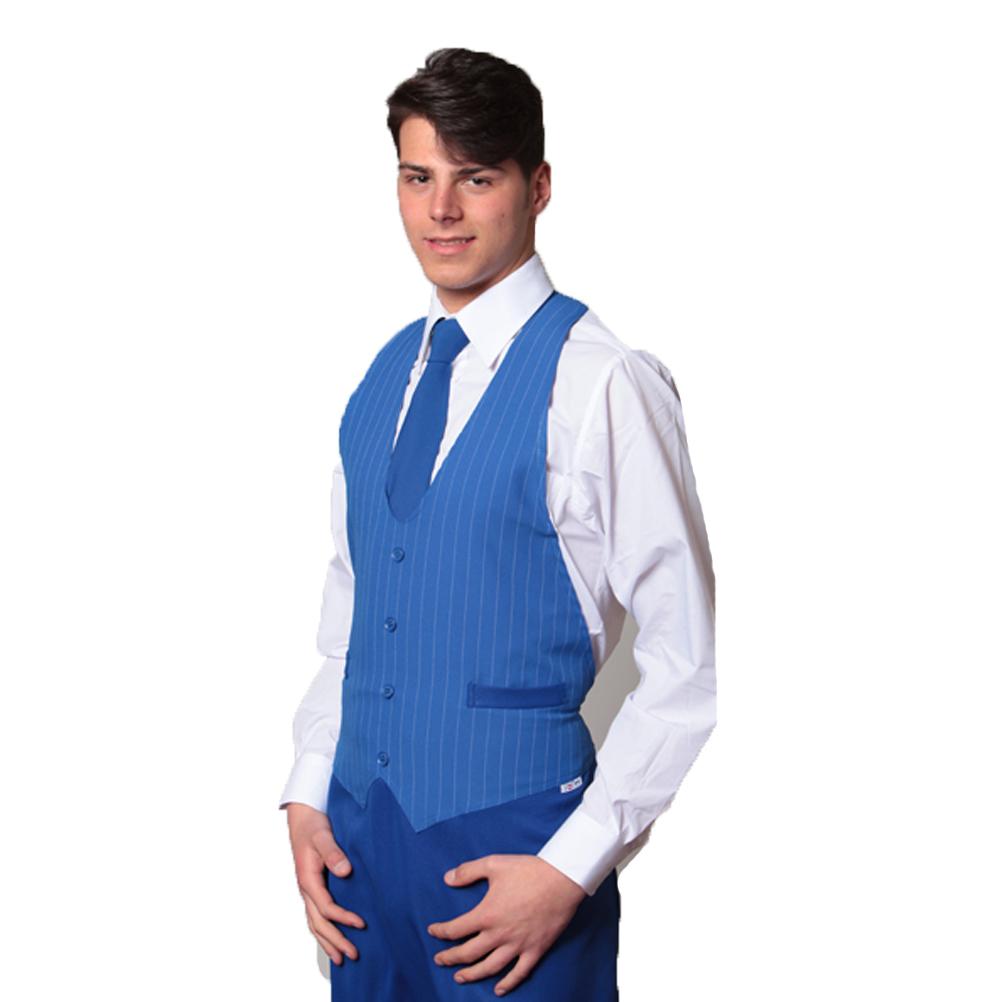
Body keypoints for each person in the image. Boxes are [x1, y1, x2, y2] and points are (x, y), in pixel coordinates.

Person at [279, 47, 716, 1000]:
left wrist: (570, 868)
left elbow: (684, 665)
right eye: (417, 178)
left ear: (538, 186)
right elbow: (355, 619)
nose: (441, 210)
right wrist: (308, 795)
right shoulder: (384, 377)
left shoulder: (603, 383)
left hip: (517, 856)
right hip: (359, 854)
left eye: (475, 178)